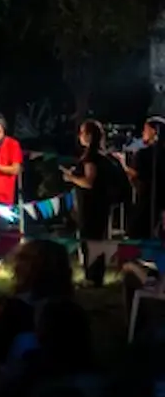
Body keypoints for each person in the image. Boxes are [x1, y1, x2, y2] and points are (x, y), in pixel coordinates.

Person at [64, 118, 122, 286]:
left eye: (82, 132)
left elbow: (89, 182)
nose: (80, 135)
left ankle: (92, 277)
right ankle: (96, 276)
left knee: (89, 240)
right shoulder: (103, 156)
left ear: (89, 135)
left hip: (91, 206)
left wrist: (71, 177)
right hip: (101, 205)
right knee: (98, 240)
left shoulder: (91, 157)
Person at [122, 116, 165, 240]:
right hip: (160, 203)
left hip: (147, 203)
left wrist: (123, 165)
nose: (142, 133)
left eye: (145, 129)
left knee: (137, 234)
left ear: (154, 131)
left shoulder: (143, 154)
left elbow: (136, 175)